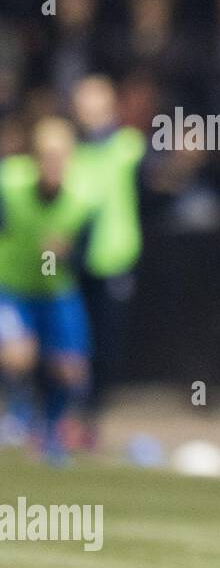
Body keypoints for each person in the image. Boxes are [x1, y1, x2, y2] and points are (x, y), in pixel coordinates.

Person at [0, 117, 99, 466]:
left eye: (60, 157)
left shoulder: (82, 199)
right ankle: (18, 414)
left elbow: (88, 256)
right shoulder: (9, 185)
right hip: (12, 287)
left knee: (72, 370)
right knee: (17, 355)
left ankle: (50, 432)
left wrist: (67, 253)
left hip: (55, 289)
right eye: (46, 156)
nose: (53, 165)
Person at [71, 75, 146, 443]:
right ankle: (67, 414)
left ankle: (91, 418)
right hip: (74, 261)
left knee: (105, 345)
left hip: (113, 259)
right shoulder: (73, 151)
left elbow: (152, 187)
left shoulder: (128, 146)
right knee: (72, 341)